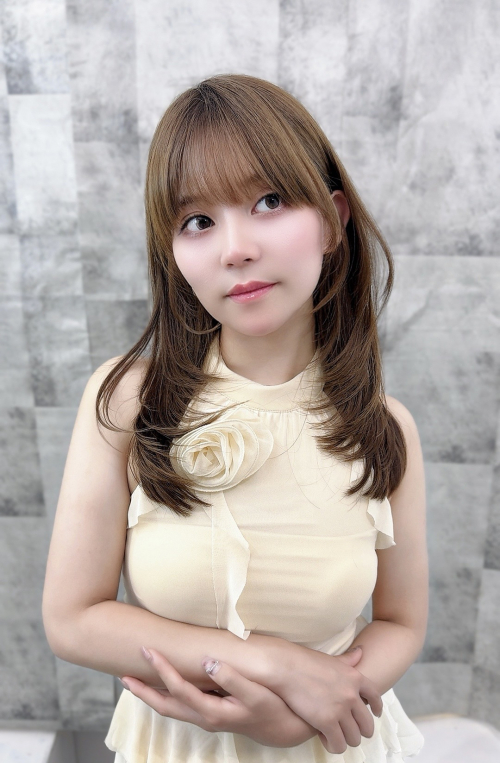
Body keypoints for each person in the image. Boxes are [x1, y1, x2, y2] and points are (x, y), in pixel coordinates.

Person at [42, 74, 428, 762]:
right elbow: (72, 619)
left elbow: (401, 622)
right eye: (197, 221)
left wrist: (308, 714)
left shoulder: (384, 429)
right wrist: (276, 667)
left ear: (333, 219)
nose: (235, 248)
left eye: (269, 201)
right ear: (173, 252)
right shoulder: (130, 399)